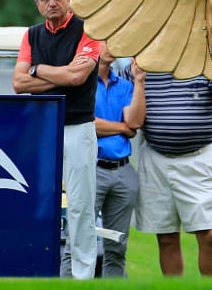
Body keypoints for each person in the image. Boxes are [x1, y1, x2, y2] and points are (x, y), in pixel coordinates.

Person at [13, 0, 101, 279]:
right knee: (38, 202)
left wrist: (38, 69)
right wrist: (59, 75)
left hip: (78, 127)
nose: (52, 2)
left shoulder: (89, 29)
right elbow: (18, 83)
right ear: (37, 3)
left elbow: (78, 78)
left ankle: (82, 278)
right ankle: (37, 271)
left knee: (79, 206)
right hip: (43, 128)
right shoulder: (32, 35)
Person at [133, 72, 212, 277]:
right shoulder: (144, 62)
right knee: (166, 238)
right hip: (156, 158)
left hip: (200, 160)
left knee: (209, 235)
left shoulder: (203, 61)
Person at [66, 43, 146, 278]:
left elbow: (136, 122)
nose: (113, 45)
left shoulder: (124, 84)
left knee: (116, 247)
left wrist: (139, 81)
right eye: (105, 40)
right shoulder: (80, 83)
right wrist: (122, 127)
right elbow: (89, 124)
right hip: (91, 168)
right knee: (77, 243)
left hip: (123, 172)